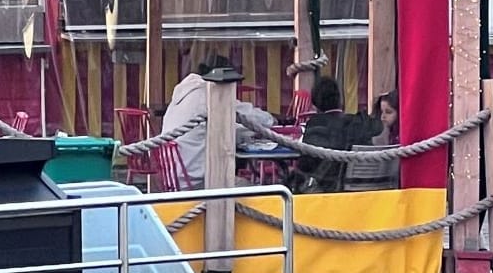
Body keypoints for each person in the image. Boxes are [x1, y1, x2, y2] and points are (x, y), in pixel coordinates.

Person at [162, 57, 275, 188]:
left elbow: (224, 128)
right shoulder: (208, 96)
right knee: (260, 190)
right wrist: (271, 120)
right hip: (197, 183)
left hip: (176, 180)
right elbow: (251, 116)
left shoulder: (185, 94)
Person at [289, 76, 378, 194]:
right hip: (364, 192)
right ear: (339, 99)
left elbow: (306, 165)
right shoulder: (359, 123)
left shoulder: (316, 124)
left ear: (315, 103)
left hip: (326, 191)